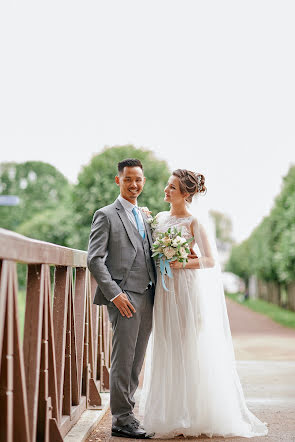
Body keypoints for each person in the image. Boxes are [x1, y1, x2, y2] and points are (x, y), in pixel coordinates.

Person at [140, 169, 268, 438]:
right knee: (166, 345)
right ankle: (167, 414)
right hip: (165, 292)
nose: (166, 190)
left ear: (186, 194)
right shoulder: (161, 218)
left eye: (172, 187)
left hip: (185, 290)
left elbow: (210, 261)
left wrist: (181, 261)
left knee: (187, 347)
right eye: (167, 185)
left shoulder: (193, 222)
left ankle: (191, 414)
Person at [87, 158, 156, 439]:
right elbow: (94, 259)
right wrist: (115, 294)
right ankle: (121, 419)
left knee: (137, 360)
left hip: (149, 294)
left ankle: (129, 413)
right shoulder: (105, 215)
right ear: (118, 180)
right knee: (123, 359)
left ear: (143, 181)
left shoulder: (145, 215)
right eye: (128, 179)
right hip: (124, 298)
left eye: (138, 179)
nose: (134, 184)